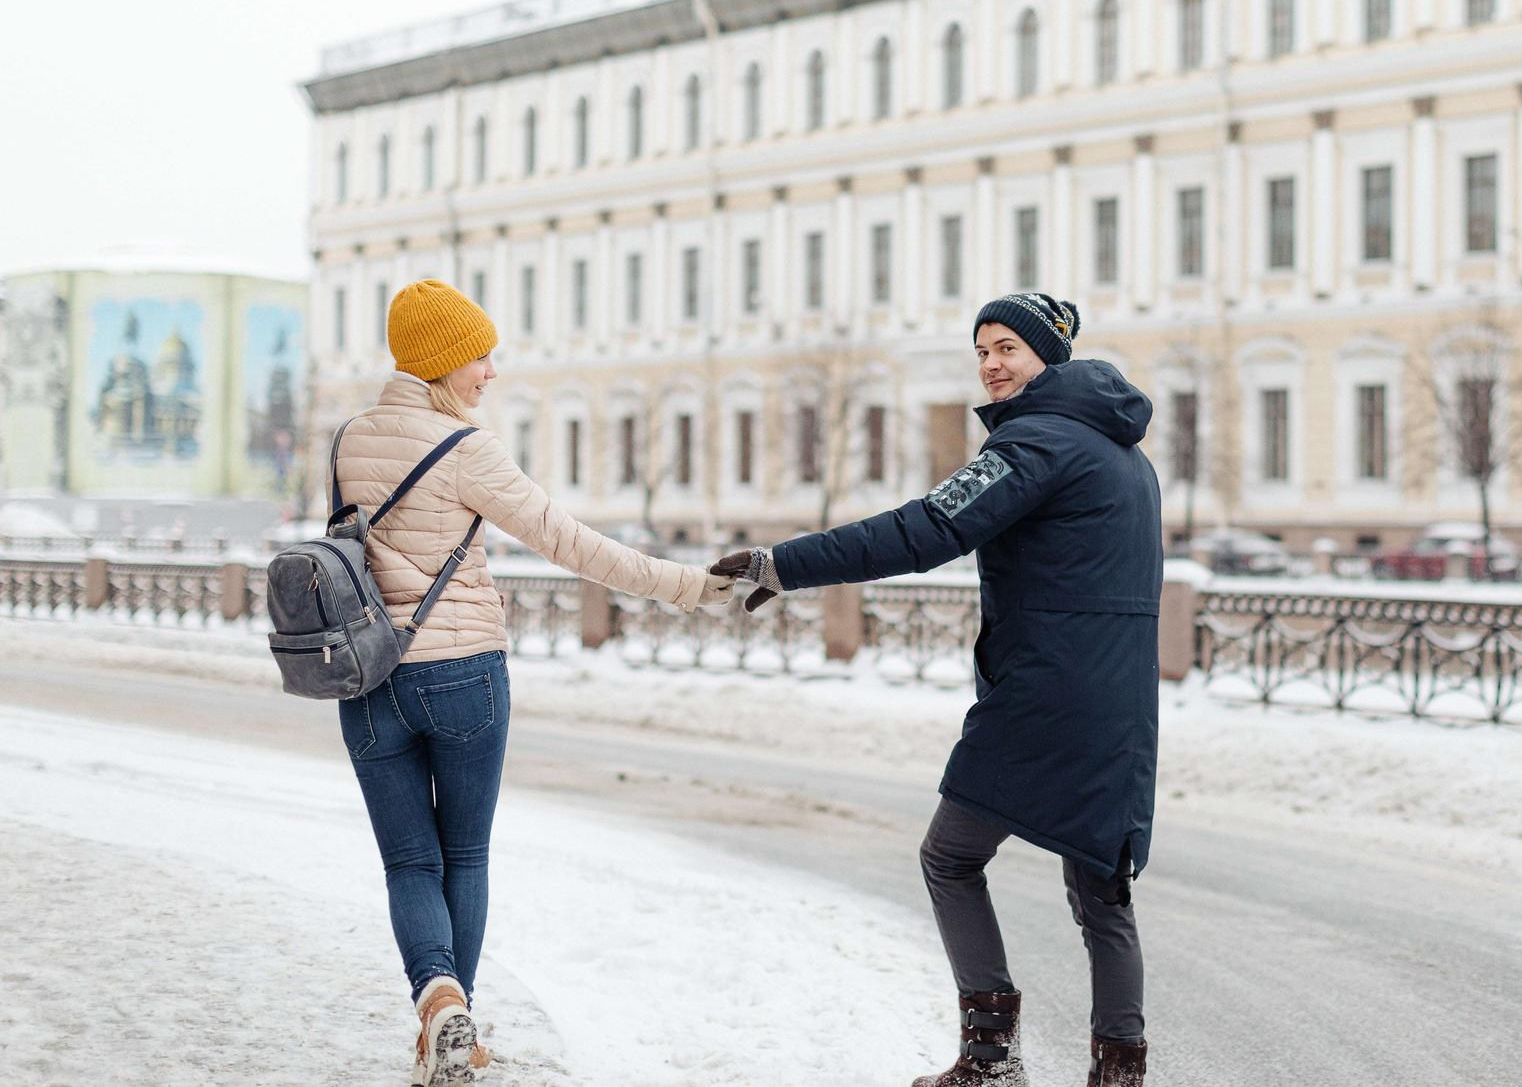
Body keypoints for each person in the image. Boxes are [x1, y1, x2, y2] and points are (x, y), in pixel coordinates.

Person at [714, 292, 1162, 1087]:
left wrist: (785, 564)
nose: (991, 363)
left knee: (950, 857)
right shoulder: (1127, 455)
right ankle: (1119, 1072)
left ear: (1047, 359)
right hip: (1119, 704)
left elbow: (925, 529)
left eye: (1008, 349)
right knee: (1101, 887)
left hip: (1041, 697)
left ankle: (992, 1058)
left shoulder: (1036, 445)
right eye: (982, 349)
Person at [335, 279, 731, 1087]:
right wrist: (687, 585)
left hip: (370, 676)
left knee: (410, 863)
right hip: (462, 674)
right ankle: (459, 1024)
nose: (489, 372)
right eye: (480, 356)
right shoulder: (464, 449)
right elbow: (572, 543)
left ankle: (437, 1004)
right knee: (465, 854)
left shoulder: (349, 437)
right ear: (445, 361)